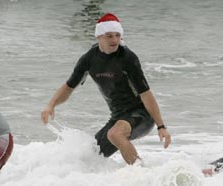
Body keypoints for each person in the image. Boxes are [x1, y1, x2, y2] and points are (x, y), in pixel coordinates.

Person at [41, 13, 171, 164]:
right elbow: (69, 87)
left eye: (117, 35)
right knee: (89, 158)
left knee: (115, 133)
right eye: (109, 36)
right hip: (117, 117)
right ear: (99, 37)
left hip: (142, 115)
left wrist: (161, 126)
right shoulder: (89, 59)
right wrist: (51, 105)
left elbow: (146, 94)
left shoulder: (128, 58)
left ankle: (141, 174)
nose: (115, 40)